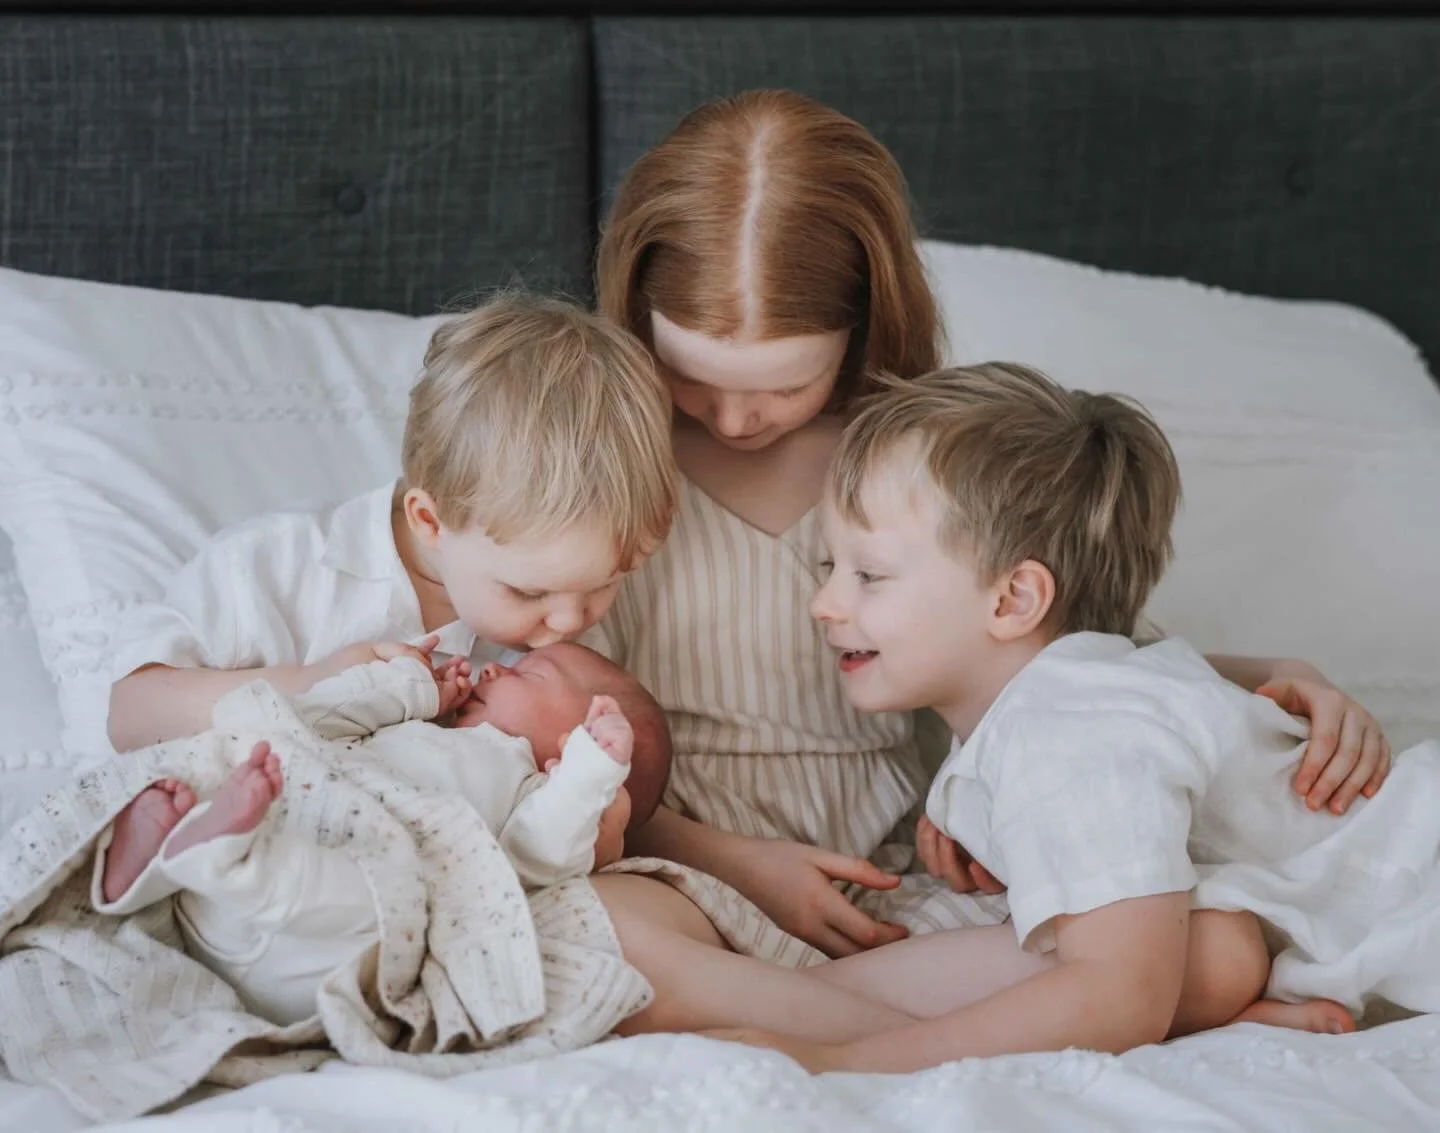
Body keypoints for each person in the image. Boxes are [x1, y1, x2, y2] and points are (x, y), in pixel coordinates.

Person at [597, 89, 1393, 958]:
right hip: (686, 861)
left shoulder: (911, 469)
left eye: (784, 386)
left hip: (909, 876)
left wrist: (1272, 676)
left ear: (860, 326)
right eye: (693, 375)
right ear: (641, 319)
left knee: (1194, 940)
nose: (736, 420)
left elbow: (1063, 660)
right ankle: (808, 1017)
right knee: (616, 934)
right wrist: (742, 867)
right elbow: (561, 734)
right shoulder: (607, 477)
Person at [713, 363, 1437, 1073]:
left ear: (1013, 601)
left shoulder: (1066, 728)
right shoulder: (1082, 697)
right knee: (1204, 947)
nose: (825, 604)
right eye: (827, 567)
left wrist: (840, 1058)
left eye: (867, 574)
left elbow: (1115, 995)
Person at [100, 294, 678, 901]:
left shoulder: (569, 643)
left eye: (609, 579)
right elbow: (129, 715)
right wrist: (315, 679)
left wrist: (601, 831)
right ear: (430, 522)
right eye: (529, 591)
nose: (569, 621)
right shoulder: (281, 570)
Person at [94, 642, 665, 1026]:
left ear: (573, 742)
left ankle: (212, 855)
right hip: (237, 886)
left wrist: (590, 775)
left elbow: (542, 853)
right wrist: (414, 690)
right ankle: (147, 874)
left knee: (385, 893)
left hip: (310, 956)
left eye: (528, 672)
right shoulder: (417, 724)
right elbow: (322, 717)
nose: (494, 667)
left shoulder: (532, 793)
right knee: (246, 747)